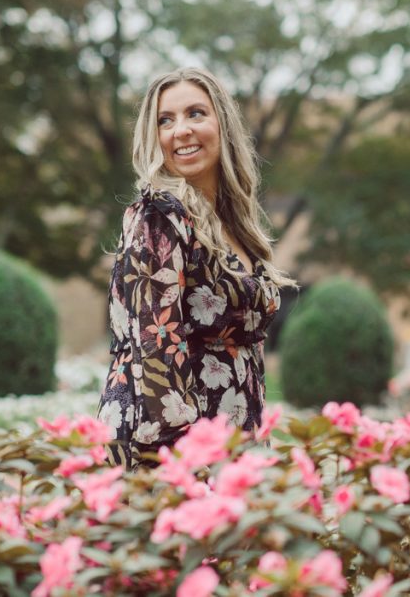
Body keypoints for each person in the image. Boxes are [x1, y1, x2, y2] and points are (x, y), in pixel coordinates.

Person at [96, 67, 294, 469]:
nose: (181, 130)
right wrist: (190, 468)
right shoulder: (159, 216)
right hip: (173, 449)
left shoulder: (235, 225)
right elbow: (157, 352)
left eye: (195, 114)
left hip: (232, 440)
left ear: (223, 124)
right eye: (165, 120)